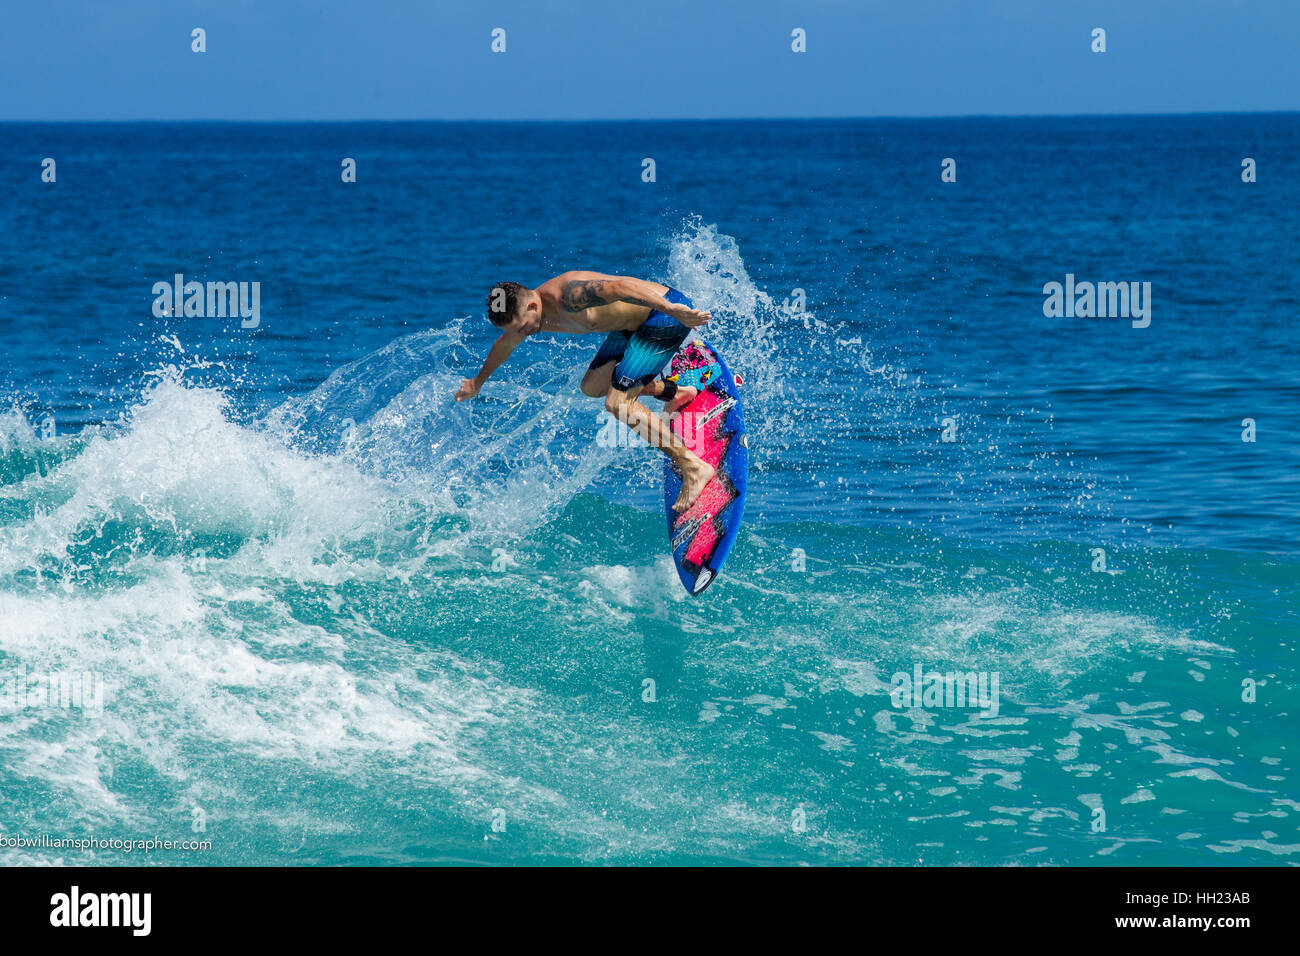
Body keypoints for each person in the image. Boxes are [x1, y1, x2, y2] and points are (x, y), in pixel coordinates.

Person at [455, 272, 715, 512]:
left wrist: (671, 309)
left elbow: (620, 286)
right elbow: (506, 343)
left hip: (664, 315)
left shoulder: (569, 296)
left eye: (522, 326)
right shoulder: (529, 317)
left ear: (532, 306)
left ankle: (692, 466)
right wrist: (478, 382)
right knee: (593, 387)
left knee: (618, 404)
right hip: (632, 327)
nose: (522, 334)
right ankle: (677, 392)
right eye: (516, 330)